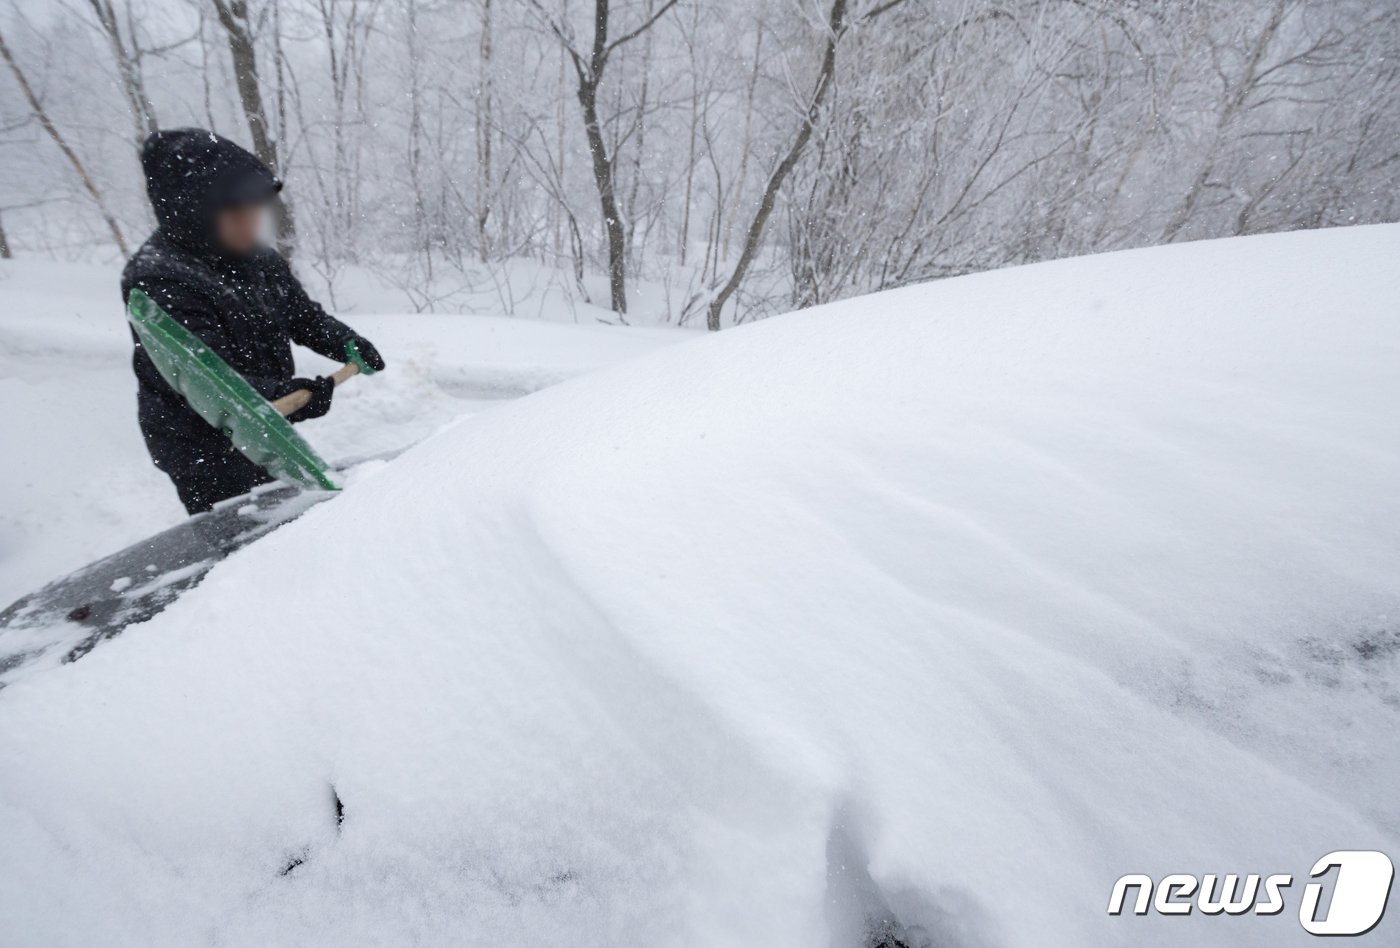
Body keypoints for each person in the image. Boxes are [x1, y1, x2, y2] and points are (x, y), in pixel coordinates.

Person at [121, 128, 385, 514]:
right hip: (202, 444)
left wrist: (345, 342)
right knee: (241, 531)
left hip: (261, 423)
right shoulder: (160, 279)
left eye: (254, 213)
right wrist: (285, 394)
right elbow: (209, 379)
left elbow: (301, 316)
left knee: (276, 512)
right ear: (191, 212)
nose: (250, 226)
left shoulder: (256, 260)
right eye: (235, 215)